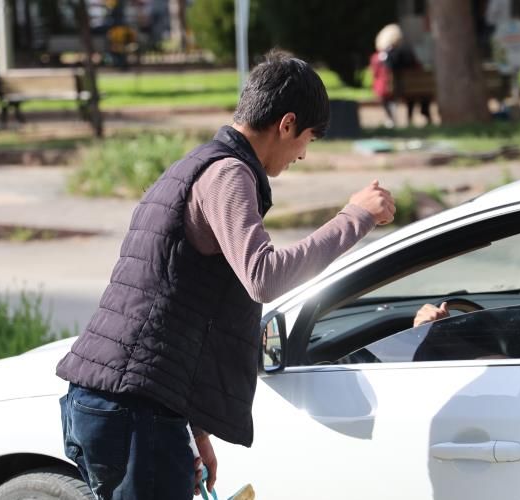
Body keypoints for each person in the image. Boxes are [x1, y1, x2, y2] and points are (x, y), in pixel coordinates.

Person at [55, 50, 396, 500]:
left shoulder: (198, 165)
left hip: (117, 403)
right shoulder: (229, 174)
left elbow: (172, 299)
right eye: (308, 140)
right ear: (287, 124)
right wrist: (355, 217)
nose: (303, 156)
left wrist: (194, 428)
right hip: (133, 411)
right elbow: (264, 276)